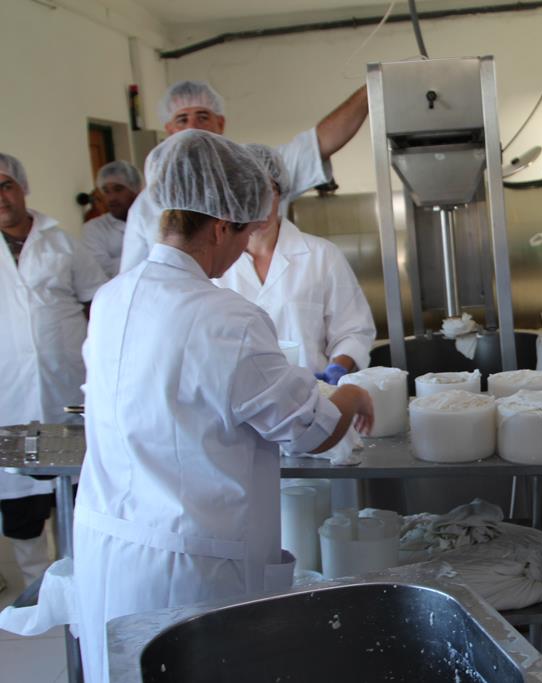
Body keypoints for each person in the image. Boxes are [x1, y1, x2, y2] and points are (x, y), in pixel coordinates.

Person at [72, 130, 374, 683]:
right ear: (218, 227)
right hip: (190, 568)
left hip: (109, 550)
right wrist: (350, 397)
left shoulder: (114, 297)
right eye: (245, 231)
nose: (245, 246)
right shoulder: (226, 318)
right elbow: (310, 430)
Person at [119, 79, 368, 272]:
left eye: (203, 117)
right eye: (182, 119)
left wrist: (371, 89)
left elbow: (319, 143)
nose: (193, 127)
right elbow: (133, 276)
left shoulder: (253, 174)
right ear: (169, 129)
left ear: (220, 123)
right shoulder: (147, 204)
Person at [0, 153, 108, 586]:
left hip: (66, 386)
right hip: (9, 394)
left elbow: (98, 304)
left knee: (78, 497)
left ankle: (79, 585)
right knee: (21, 505)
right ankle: (35, 590)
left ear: (22, 187)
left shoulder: (63, 243)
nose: (1, 196)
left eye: (6, 184)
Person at [214, 144, 375, 380]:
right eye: (250, 192)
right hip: (243, 398)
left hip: (314, 392)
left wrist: (337, 370)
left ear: (281, 193)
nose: (261, 202)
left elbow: (353, 330)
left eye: (268, 190)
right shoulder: (216, 265)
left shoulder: (322, 256)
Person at [82, 160, 143, 277]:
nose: (111, 198)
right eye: (106, 191)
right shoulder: (94, 228)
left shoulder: (155, 221)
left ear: (135, 189)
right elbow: (102, 269)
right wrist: (146, 258)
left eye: (118, 189)